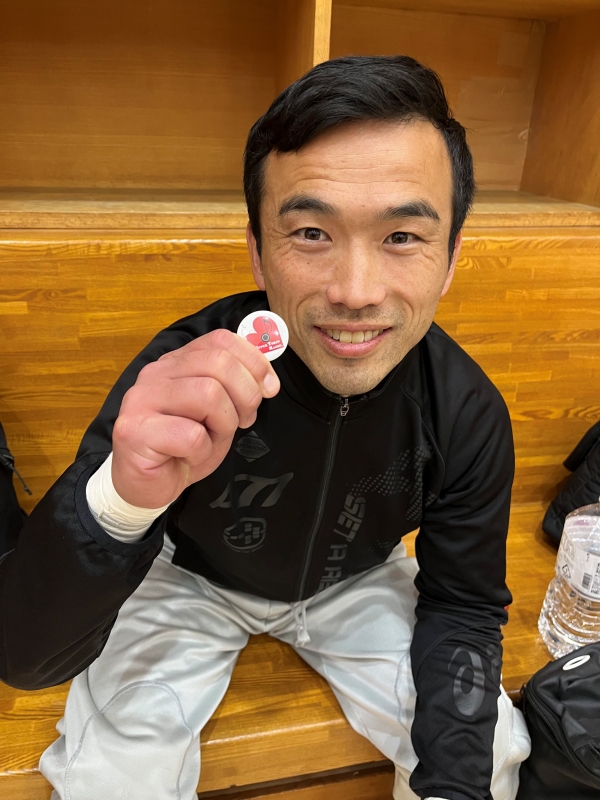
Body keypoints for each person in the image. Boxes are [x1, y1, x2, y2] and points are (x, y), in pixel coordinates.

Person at [0, 55, 530, 800]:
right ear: (256, 250)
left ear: (449, 259)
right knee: (111, 777)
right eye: (310, 232)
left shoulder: (466, 411)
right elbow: (25, 658)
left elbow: (463, 606)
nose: (355, 292)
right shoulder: (183, 372)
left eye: (403, 237)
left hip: (360, 581)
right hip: (188, 576)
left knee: (493, 754)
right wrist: (121, 502)